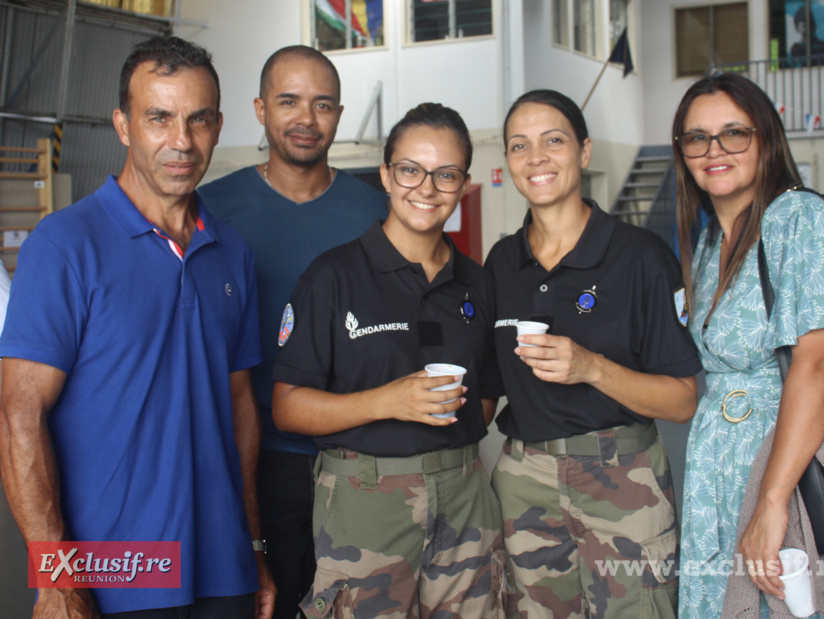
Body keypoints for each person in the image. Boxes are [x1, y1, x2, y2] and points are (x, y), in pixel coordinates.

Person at [0, 36, 275, 618]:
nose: (181, 141)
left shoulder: (232, 252)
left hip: (223, 568)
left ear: (219, 126)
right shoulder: (64, 243)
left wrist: (252, 547)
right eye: (159, 118)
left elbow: (240, 407)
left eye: (198, 120)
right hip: (113, 572)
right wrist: (54, 578)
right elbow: (18, 417)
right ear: (123, 125)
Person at [271, 103, 510, 618]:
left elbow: (486, 397)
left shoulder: (477, 282)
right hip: (364, 502)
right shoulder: (332, 278)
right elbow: (288, 407)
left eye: (445, 174)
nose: (426, 188)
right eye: (410, 170)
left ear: (463, 183)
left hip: (465, 496)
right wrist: (389, 401)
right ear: (385, 174)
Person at [485, 89, 702, 618]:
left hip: (623, 478)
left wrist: (591, 367)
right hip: (523, 480)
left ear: (583, 152)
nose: (535, 157)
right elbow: (487, 388)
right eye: (519, 145)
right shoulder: (501, 261)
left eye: (552, 140)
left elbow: (681, 402)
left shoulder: (640, 257)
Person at [197, 46, 388, 616]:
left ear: (339, 113)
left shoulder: (377, 214)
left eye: (322, 104)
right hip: (254, 463)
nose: (306, 118)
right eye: (289, 101)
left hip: (359, 457)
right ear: (260, 109)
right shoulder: (211, 208)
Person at [672, 73, 824, 617]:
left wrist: (772, 502)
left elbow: (819, 364)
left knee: (790, 601)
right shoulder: (710, 241)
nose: (714, 150)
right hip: (717, 464)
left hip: (784, 459)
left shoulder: (797, 219)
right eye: (697, 137)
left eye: (734, 133)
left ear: (766, 139)